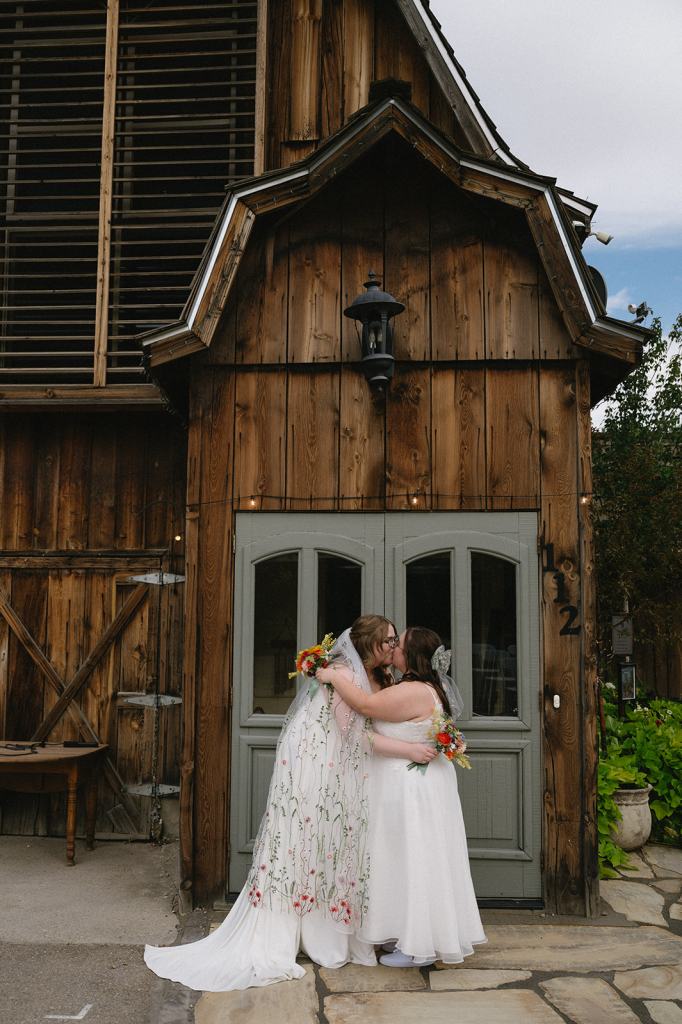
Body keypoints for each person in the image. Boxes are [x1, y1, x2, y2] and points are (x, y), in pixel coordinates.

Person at [144, 615, 435, 991]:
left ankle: (357, 928)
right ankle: (309, 934)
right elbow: (356, 738)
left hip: (356, 774)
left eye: (396, 641)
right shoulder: (340, 674)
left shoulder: (382, 677)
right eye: (388, 642)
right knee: (314, 844)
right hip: (322, 770)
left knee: (346, 848)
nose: (395, 647)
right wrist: (410, 749)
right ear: (369, 645)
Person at [317, 626, 486, 967]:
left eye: (399, 643)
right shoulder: (428, 688)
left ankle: (417, 948)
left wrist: (330, 676)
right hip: (424, 784)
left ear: (410, 656)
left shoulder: (411, 691)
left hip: (410, 788)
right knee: (421, 860)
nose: (392, 647)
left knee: (414, 860)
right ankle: (418, 937)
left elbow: (364, 704)